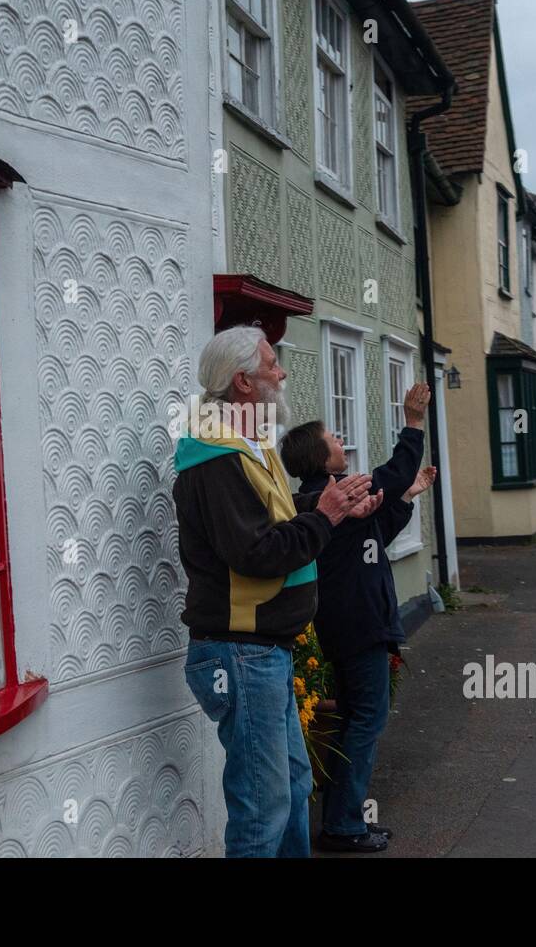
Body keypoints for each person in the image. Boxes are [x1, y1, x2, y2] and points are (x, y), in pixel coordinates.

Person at [173, 325, 382, 858]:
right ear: (243, 382)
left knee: (290, 788)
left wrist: (325, 510)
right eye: (272, 364)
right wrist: (327, 517)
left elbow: (271, 523)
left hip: (260, 650)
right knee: (263, 809)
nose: (281, 371)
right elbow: (258, 554)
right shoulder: (218, 457)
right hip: (241, 652)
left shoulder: (243, 445)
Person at [279, 383, 436, 852]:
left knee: (354, 719)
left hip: (349, 625)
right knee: (366, 720)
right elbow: (392, 473)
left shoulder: (329, 504)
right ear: (319, 457)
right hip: (359, 627)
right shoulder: (331, 497)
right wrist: (412, 421)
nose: (340, 439)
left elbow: (374, 536)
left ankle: (343, 820)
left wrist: (405, 497)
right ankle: (344, 825)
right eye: (332, 437)